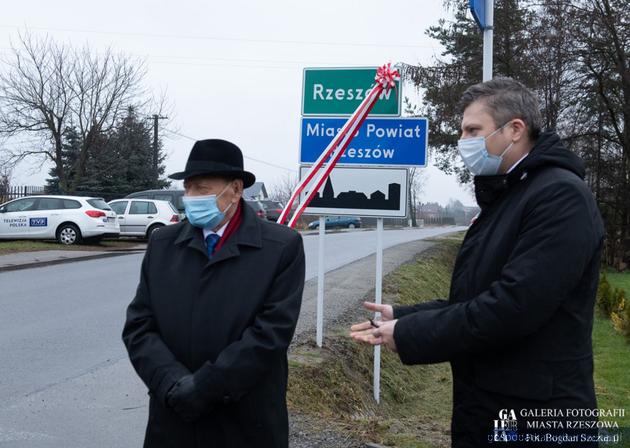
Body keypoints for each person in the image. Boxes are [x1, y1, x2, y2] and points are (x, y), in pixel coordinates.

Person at [350, 78, 604, 447]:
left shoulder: (559, 197)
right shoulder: (509, 196)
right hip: (494, 403)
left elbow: (513, 307)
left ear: (515, 129)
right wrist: (404, 316)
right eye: (462, 130)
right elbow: (476, 297)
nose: (463, 141)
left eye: (473, 130)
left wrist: (409, 335)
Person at [122, 139, 305, 448]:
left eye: (202, 189)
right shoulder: (163, 244)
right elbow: (139, 326)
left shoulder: (280, 247)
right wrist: (172, 384)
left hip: (244, 423)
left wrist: (205, 387)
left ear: (235, 189)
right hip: (174, 419)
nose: (191, 198)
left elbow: (270, 335)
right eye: (188, 188)